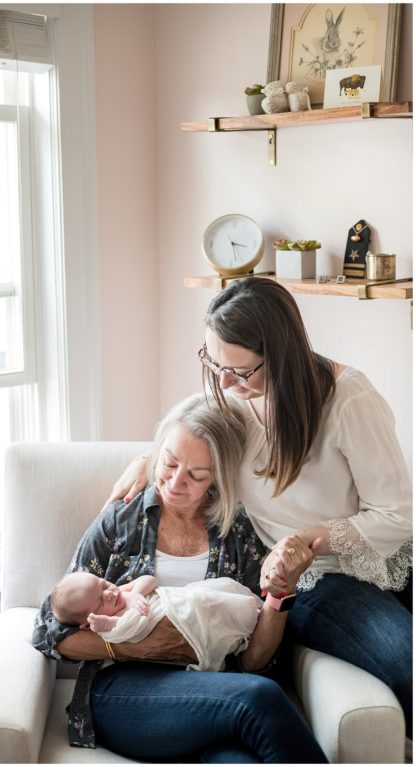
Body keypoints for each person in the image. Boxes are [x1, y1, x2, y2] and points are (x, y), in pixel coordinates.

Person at [108, 277, 413, 736]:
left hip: (389, 558)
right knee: (406, 661)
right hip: (317, 580)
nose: (224, 382)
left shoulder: (348, 398)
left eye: (241, 370)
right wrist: (144, 459)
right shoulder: (230, 397)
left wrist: (310, 536)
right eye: (213, 362)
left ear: (282, 356)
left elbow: (399, 515)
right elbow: (184, 430)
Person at [32, 393, 328, 762]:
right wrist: (137, 645)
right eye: (168, 464)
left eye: (196, 476)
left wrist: (278, 595)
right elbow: (49, 629)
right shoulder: (122, 520)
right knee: (260, 697)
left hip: (212, 690)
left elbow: (254, 662)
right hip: (124, 692)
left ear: (217, 479)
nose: (174, 483)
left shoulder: (238, 533)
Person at [51, 571, 262, 672]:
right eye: (99, 602)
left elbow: (150, 580)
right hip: (181, 627)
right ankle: (242, 622)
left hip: (178, 602)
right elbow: (125, 630)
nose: (109, 594)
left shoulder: (121, 593)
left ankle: (248, 610)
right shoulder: (109, 621)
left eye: (104, 584)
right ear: (88, 624)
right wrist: (106, 624)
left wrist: (135, 593)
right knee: (210, 619)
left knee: (208, 598)